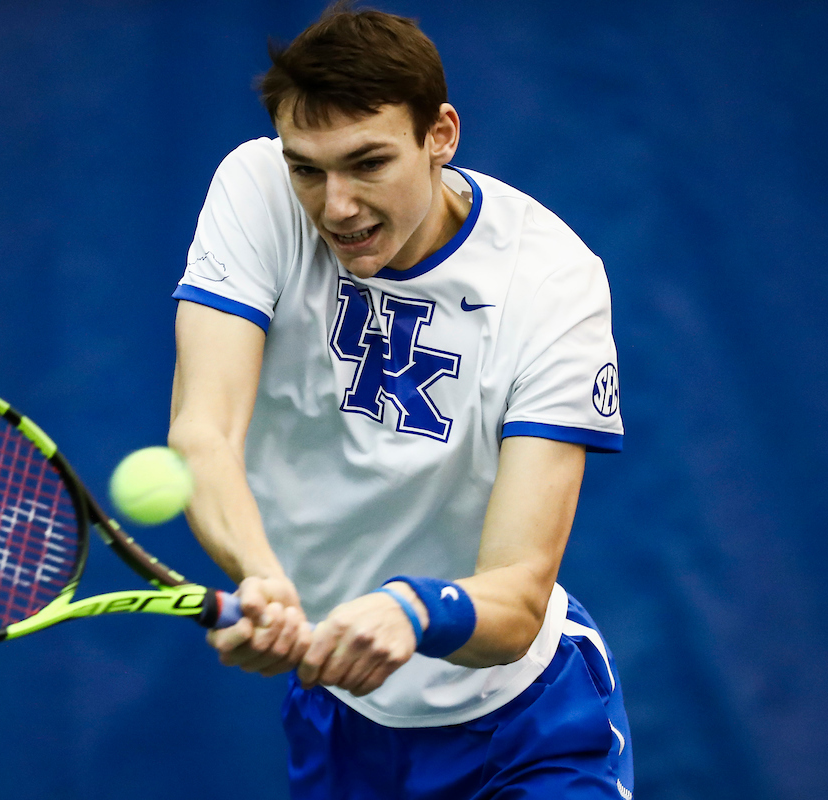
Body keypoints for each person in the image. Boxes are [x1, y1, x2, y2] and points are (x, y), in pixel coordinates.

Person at [167, 4, 633, 798]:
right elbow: (202, 433)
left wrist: (415, 611)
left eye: (368, 162)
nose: (335, 204)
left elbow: (517, 591)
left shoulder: (553, 281)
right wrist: (263, 578)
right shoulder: (255, 186)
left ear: (440, 134)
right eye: (307, 168)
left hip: (524, 726)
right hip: (341, 723)